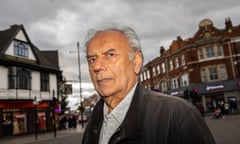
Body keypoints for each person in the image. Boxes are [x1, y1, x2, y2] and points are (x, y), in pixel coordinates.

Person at [82, 24, 216, 144]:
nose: (97, 66)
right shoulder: (93, 123)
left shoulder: (178, 115)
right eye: (92, 59)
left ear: (136, 62)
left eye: (110, 55)